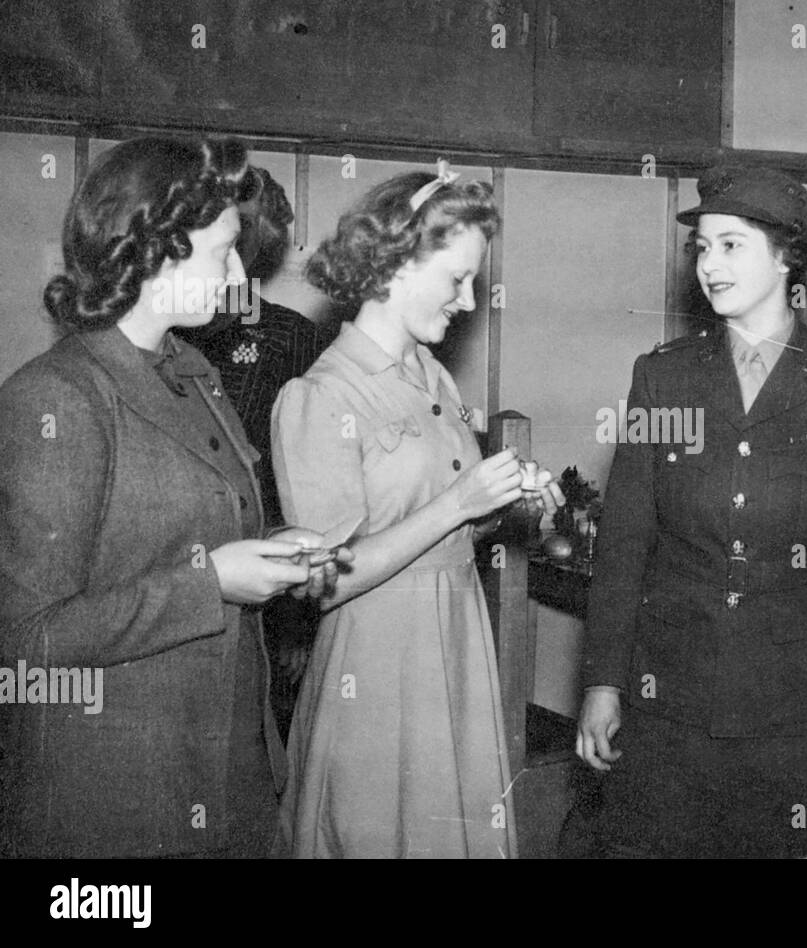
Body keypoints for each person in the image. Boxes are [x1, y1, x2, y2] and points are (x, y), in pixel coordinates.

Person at [0, 136, 343, 857]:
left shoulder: (193, 374)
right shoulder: (56, 397)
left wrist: (273, 552)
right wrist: (214, 581)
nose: (235, 276)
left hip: (225, 777)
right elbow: (27, 642)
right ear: (156, 249)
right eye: (222, 252)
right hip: (117, 800)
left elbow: (198, 536)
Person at [576, 165, 807, 857]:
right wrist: (603, 682)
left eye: (731, 245)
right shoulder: (663, 378)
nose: (708, 265)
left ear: (788, 257)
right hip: (666, 698)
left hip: (791, 712)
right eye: (702, 248)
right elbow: (626, 540)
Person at [271, 162, 564, 858]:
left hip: (457, 649)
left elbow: (448, 527)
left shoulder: (429, 374)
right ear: (396, 262)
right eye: (457, 279)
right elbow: (326, 580)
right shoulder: (319, 398)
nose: (467, 302)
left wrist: (508, 508)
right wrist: (459, 502)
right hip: (375, 669)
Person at [175, 165, 336, 741]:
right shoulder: (173, 339)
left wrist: (298, 626)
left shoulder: (294, 337)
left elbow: (307, 479)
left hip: (269, 579)